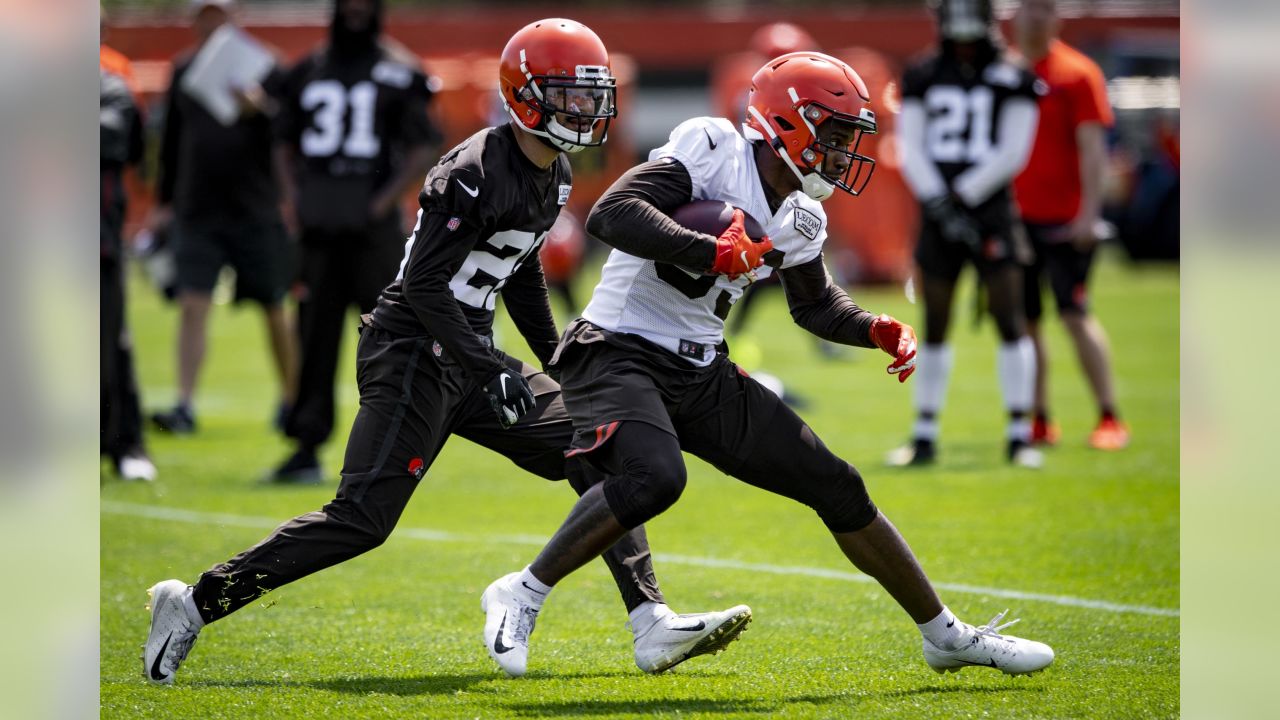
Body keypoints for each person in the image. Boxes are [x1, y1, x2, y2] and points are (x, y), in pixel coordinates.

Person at [143, 18, 748, 685]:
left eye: (589, 94)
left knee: (598, 449)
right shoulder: (474, 170)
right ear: (524, 95)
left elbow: (519, 270)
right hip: (410, 354)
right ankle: (195, 604)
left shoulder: (554, 170)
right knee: (361, 520)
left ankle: (650, 621)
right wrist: (488, 366)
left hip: (466, 352)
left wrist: (559, 362)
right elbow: (426, 286)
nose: (583, 108)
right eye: (567, 94)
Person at [479, 50, 1054, 678]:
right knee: (655, 476)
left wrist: (873, 329)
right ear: (787, 121)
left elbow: (814, 306)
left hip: (700, 370)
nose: (843, 152)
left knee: (837, 484)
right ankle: (524, 590)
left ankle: (944, 634)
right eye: (834, 134)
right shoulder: (713, 147)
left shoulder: (802, 212)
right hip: (615, 350)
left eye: (848, 138)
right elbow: (611, 215)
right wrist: (711, 251)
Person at [267, 0, 441, 483]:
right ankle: (305, 444)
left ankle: (402, 443)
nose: (358, 11)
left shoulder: (400, 71)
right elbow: (281, 139)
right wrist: (293, 198)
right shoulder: (306, 71)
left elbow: (423, 142)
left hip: (372, 233)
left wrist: (382, 203)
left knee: (391, 338)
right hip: (319, 229)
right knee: (314, 338)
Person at [887, 0, 1046, 468]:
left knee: (1009, 317)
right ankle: (924, 432)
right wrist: (939, 200)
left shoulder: (1014, 74)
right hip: (939, 214)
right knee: (935, 321)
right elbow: (910, 144)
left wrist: (963, 196)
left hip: (991, 211)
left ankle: (1019, 434)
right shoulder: (922, 72)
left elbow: (1013, 151)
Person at [148, 0, 297, 434]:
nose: (209, 22)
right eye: (203, 14)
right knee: (193, 302)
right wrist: (164, 201)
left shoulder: (265, 65)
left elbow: (287, 129)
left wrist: (262, 108)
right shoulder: (184, 68)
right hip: (198, 208)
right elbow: (173, 139)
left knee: (273, 304)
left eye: (217, 13)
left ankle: (291, 400)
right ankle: (184, 404)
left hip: (255, 206)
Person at [1011, 0, 1129, 450]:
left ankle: (1109, 415)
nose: (1034, 18)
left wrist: (1089, 215)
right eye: (1027, 9)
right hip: (1016, 222)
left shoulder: (1077, 73)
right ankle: (1039, 419)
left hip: (1065, 221)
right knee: (1026, 324)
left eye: (1043, 9)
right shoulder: (1007, 71)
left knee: (1075, 315)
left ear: (1055, 18)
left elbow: (1093, 149)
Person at [100, 50, 155, 482]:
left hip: (95, 235)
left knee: (108, 342)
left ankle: (125, 444)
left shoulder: (109, 84)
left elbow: (118, 142)